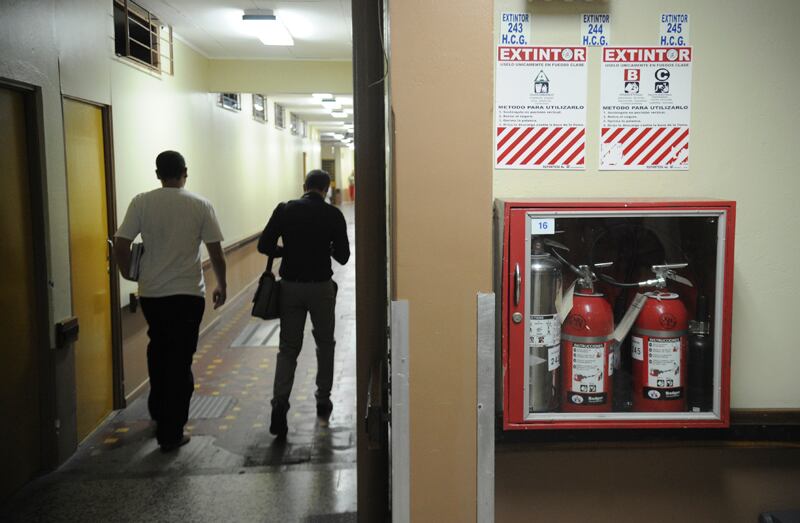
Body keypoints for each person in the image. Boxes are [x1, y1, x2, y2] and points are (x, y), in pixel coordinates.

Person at [113, 150, 227, 452]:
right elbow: (216, 252)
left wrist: (128, 273)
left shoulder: (141, 202)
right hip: (188, 295)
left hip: (152, 295)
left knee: (159, 350)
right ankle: (171, 431)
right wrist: (222, 284)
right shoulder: (200, 204)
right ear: (185, 172)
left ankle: (158, 411)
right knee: (180, 359)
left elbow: (121, 243)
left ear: (157, 174)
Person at [258, 169, 350, 438]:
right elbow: (344, 256)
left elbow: (264, 245)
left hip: (290, 288)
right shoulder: (333, 214)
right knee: (325, 343)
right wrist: (326, 248)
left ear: (304, 186)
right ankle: (323, 399)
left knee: (288, 348)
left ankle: (279, 404)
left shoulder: (285, 209)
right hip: (321, 288)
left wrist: (286, 251)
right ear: (326, 189)